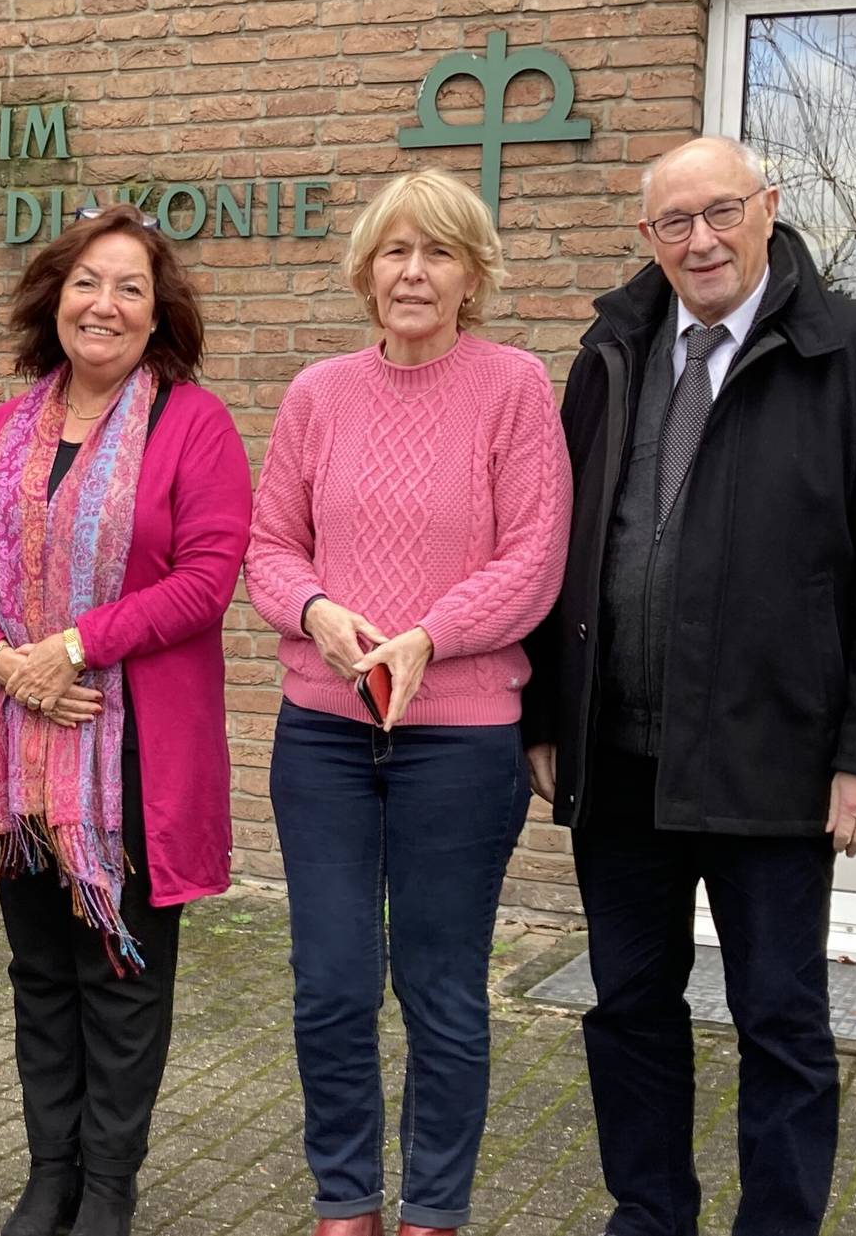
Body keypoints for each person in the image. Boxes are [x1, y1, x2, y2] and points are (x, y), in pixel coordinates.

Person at [522, 136, 856, 1236]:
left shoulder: (854, 352)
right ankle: (650, 1215)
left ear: (768, 209)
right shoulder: (611, 349)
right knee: (629, 1011)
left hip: (775, 757)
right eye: (675, 222)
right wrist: (547, 712)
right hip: (618, 761)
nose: (700, 239)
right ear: (649, 237)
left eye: (721, 212)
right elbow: (561, 545)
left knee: (780, 1021)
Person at [245, 169, 571, 1236]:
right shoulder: (317, 393)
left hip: (462, 740)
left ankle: (434, 1207)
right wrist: (319, 608)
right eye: (395, 251)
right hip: (325, 736)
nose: (413, 272)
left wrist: (433, 634)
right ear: (365, 270)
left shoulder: (515, 385)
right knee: (332, 980)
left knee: (440, 987)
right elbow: (268, 547)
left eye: (437, 252)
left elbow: (536, 555)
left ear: (473, 274)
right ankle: (347, 1199)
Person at [0, 204, 251, 1236]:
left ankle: (109, 1186)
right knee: (40, 970)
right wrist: (7, 665)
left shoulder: (191, 422)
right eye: (86, 281)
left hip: (135, 751)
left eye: (129, 287)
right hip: (23, 747)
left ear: (156, 313)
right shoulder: (8, 422)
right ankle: (51, 1172)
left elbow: (208, 578)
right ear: (54, 296)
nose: (103, 303)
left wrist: (71, 647)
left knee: (118, 974)